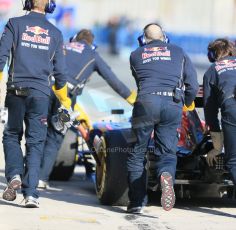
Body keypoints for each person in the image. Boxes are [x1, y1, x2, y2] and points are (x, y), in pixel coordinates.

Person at [38, 29, 137, 188]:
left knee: (37, 130)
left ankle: (28, 174)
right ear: (92, 44)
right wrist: (132, 99)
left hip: (42, 89)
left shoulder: (62, 46)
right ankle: (40, 178)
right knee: (56, 137)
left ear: (74, 39)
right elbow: (113, 80)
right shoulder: (93, 55)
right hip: (66, 97)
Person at [0, 0, 72, 208]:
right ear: (49, 6)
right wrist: (65, 101)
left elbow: (1, 56)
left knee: (12, 134)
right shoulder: (56, 33)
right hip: (41, 94)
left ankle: (14, 173)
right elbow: (60, 73)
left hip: (16, 90)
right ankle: (31, 194)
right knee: (35, 143)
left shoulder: (14, 23)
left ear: (28, 3)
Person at [127, 23, 198, 214]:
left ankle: (136, 203)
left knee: (137, 153)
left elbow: (140, 82)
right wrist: (186, 104)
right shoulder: (179, 52)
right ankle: (165, 174)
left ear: (143, 39)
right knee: (167, 152)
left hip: (146, 103)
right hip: (172, 103)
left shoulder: (135, 55)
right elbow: (192, 84)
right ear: (165, 37)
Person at [203, 38, 236, 185]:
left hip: (231, 108)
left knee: (233, 161)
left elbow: (210, 112)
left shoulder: (211, 71)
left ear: (212, 55)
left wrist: (217, 147)